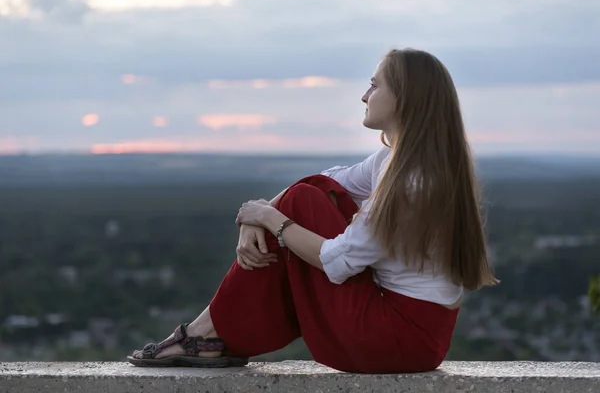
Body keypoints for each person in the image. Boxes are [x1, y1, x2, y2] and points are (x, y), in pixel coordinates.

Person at [127, 48, 498, 374]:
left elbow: (338, 262)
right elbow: (326, 180)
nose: (364, 95)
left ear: (404, 98)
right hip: (411, 338)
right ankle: (206, 333)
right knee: (310, 193)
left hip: (394, 340)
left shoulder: (413, 181)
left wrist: (270, 219)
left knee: (302, 200)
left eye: (374, 85)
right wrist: (259, 213)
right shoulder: (400, 161)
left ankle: (203, 334)